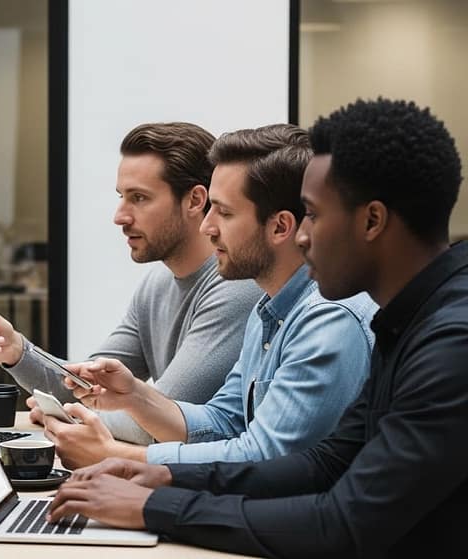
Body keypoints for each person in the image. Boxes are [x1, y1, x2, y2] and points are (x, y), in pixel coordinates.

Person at [47, 98, 468, 558]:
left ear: (371, 221)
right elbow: (323, 463)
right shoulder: (404, 322)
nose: (303, 236)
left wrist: (153, 503)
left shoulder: (448, 344)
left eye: (314, 215)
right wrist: (161, 474)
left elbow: (345, 521)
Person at [41, 124, 375, 469]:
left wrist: (118, 458)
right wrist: (135, 397)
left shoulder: (330, 319)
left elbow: (265, 459)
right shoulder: (269, 311)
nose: (206, 226)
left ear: (280, 227)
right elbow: (223, 422)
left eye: (225, 213)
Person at [0, 122, 263, 444]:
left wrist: (65, 414)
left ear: (194, 201)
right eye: (122, 197)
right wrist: (17, 350)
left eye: (139, 198)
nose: (120, 216)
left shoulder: (235, 288)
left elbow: (152, 425)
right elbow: (84, 387)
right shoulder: (158, 283)